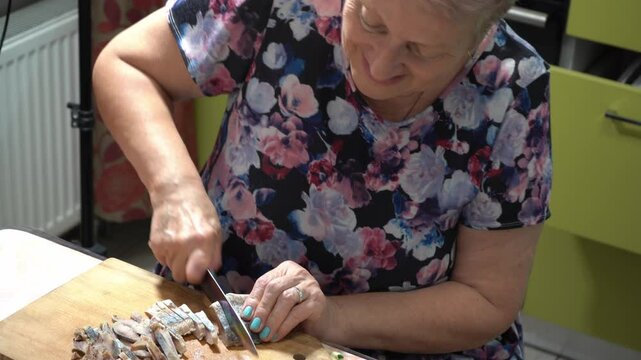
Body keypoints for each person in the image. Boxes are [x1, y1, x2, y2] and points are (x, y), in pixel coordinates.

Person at [93, 0, 552, 358]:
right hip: (224, 317)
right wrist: (174, 189)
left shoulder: (512, 87)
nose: (380, 64)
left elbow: (487, 298)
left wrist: (332, 318)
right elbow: (127, 65)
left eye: (420, 51)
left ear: (479, 39)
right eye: (371, 21)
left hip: (401, 346)